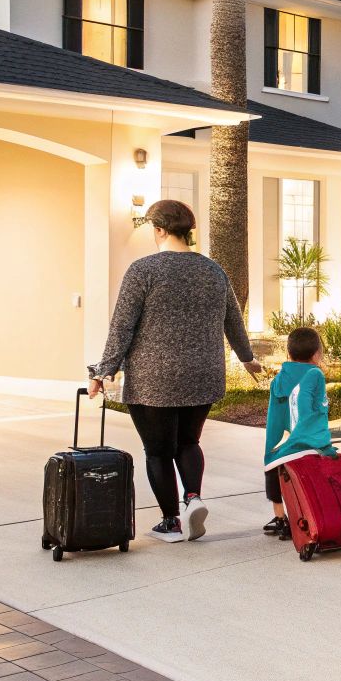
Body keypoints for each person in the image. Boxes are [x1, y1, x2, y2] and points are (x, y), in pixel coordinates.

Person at [89, 199, 262, 543]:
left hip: (154, 378)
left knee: (157, 451)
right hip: (203, 374)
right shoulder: (213, 270)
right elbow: (233, 319)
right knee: (188, 442)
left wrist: (102, 370)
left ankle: (171, 522)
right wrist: (247, 358)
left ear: (159, 230)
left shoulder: (144, 270)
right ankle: (193, 498)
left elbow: (122, 326)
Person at [262, 327, 333, 540]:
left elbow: (274, 415)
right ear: (316, 354)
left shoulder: (278, 380)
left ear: (288, 354)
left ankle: (280, 518)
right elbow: (316, 410)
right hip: (306, 443)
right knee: (309, 480)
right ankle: (306, 517)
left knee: (275, 473)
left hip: (279, 446)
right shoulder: (315, 375)